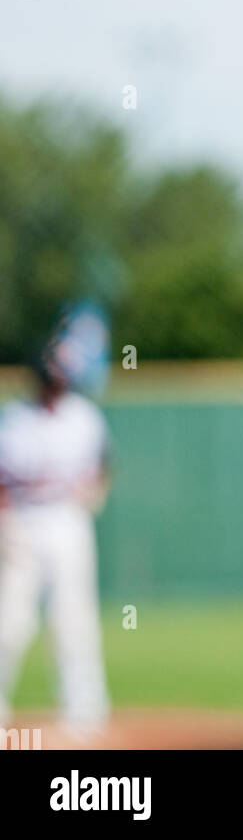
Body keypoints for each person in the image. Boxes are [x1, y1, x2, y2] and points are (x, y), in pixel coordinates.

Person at [0, 307, 111, 738]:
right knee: (11, 619)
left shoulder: (84, 417)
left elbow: (102, 469)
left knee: (74, 618)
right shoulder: (15, 420)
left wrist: (91, 493)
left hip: (68, 522)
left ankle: (84, 708)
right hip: (23, 523)